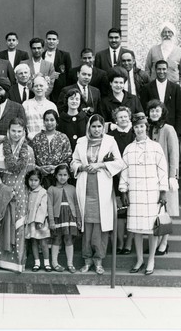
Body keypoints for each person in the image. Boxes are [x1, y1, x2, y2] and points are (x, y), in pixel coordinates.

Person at [71, 114, 125, 275]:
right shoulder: (81, 141)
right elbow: (73, 161)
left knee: (101, 226)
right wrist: (82, 167)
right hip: (85, 187)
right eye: (93, 126)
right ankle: (87, 260)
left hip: (102, 187)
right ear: (89, 127)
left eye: (99, 126)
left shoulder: (110, 141)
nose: (96, 129)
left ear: (103, 127)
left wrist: (101, 165)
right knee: (87, 226)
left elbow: (120, 162)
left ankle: (99, 261)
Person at [119, 112, 168, 276]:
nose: (139, 129)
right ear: (133, 129)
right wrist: (123, 190)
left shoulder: (156, 147)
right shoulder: (129, 149)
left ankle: (151, 259)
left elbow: (162, 170)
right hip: (135, 193)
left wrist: (163, 192)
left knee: (151, 228)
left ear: (146, 128)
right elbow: (124, 172)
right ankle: (139, 259)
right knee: (137, 229)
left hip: (152, 192)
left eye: (142, 126)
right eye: (136, 127)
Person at [0, 117, 35, 273]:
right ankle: (0, 260)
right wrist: (3, 188)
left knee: (20, 227)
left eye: (19, 131)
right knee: (3, 225)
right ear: (8, 131)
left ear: (24, 132)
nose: (16, 134)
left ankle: (18, 262)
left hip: (23, 192)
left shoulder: (29, 151)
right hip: (5, 192)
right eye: (13, 131)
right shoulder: (2, 149)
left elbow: (31, 176)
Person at [146, 100, 179, 255]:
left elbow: (174, 154)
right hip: (150, 177)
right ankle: (156, 241)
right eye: (151, 111)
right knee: (154, 212)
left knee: (166, 211)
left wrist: (173, 176)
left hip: (165, 177)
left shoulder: (168, 129)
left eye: (157, 111)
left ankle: (164, 242)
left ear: (162, 112)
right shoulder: (146, 129)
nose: (154, 113)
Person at [108, 106, 135, 255]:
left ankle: (129, 243)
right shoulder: (110, 136)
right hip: (116, 178)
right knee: (119, 212)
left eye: (125, 116)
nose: (123, 119)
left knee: (132, 211)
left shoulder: (134, 134)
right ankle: (119, 243)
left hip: (134, 178)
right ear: (115, 119)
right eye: (120, 117)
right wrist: (120, 177)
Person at [47, 164, 81, 273]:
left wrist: (78, 219)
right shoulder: (51, 189)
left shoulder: (72, 189)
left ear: (69, 176)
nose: (62, 177)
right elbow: (49, 207)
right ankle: (54, 263)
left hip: (70, 217)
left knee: (68, 239)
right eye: (60, 175)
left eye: (65, 175)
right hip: (58, 217)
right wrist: (51, 221)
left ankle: (70, 264)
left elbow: (76, 205)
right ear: (56, 176)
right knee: (56, 239)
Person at [140, 59, 181, 137]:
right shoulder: (147, 88)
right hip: (152, 128)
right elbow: (144, 109)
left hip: (171, 127)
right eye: (159, 69)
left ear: (167, 70)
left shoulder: (175, 88)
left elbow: (179, 111)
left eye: (164, 69)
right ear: (155, 70)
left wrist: (178, 132)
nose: (161, 71)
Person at [30, 109, 72, 188]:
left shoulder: (63, 137)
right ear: (43, 122)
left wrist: (55, 168)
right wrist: (40, 168)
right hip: (40, 178)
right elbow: (31, 159)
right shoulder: (37, 138)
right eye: (47, 120)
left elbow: (68, 159)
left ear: (56, 121)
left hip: (59, 178)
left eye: (52, 120)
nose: (49, 123)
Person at [24, 169, 52, 272]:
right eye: (31, 180)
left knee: (43, 242)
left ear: (40, 181)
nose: (33, 182)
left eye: (36, 180)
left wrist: (39, 221)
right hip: (30, 221)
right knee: (34, 242)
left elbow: (43, 207)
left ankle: (47, 263)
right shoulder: (27, 191)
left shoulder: (43, 192)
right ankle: (37, 263)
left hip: (40, 222)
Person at [22, 74, 58, 140]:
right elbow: (22, 124)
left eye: (41, 85)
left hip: (47, 142)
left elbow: (55, 126)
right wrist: (30, 136)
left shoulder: (52, 106)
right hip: (29, 141)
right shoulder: (26, 104)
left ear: (46, 87)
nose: (39, 88)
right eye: (36, 86)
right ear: (32, 88)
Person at [43, 30, 72, 103]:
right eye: (49, 39)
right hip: (44, 89)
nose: (51, 41)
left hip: (59, 90)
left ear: (57, 41)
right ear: (46, 41)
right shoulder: (41, 55)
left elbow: (69, 74)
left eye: (54, 39)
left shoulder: (65, 55)